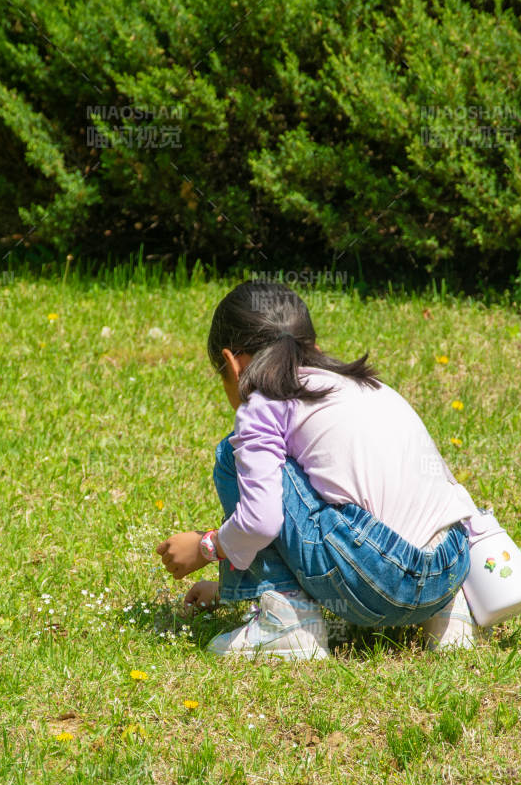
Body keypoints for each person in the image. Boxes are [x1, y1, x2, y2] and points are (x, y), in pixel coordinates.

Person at [155, 279, 483, 660]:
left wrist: (206, 547)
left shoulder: (263, 405)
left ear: (233, 364)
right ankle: (449, 618)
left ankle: (287, 623)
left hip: (381, 583)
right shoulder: (364, 385)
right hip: (449, 568)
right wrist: (230, 587)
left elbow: (262, 521)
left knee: (231, 455)